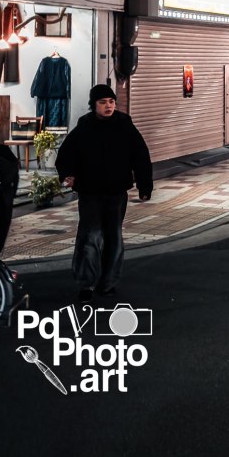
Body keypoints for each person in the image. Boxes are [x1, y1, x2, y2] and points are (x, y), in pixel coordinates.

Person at [54, 83, 152, 302]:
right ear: (93, 105)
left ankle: (107, 283)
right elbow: (67, 153)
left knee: (113, 237)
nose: (108, 106)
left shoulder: (124, 124)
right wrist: (67, 174)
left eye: (111, 102)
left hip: (117, 192)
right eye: (102, 102)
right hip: (90, 192)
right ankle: (86, 284)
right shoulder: (85, 126)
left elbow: (140, 155)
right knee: (90, 236)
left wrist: (145, 185)